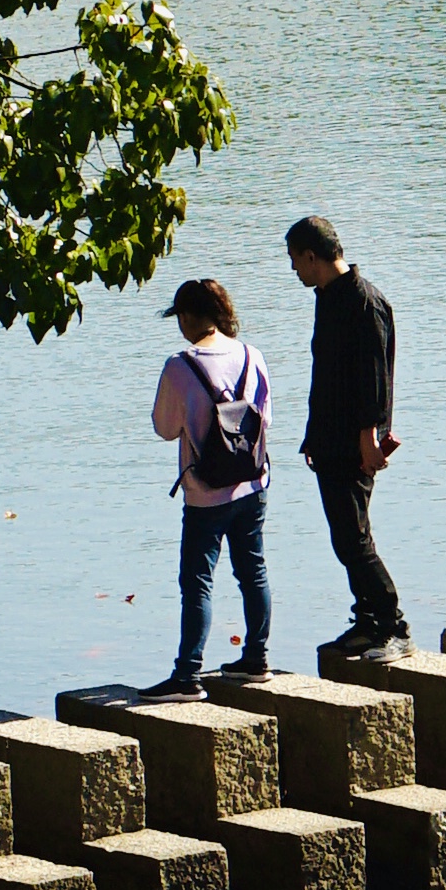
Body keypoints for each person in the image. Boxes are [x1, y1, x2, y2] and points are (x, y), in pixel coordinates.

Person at [289, 213, 409, 663]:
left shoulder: (364, 302)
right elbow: (328, 376)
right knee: (345, 538)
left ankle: (394, 627)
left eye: (295, 261)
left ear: (312, 256)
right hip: (329, 440)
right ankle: (366, 623)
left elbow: (373, 379)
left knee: (355, 540)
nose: (293, 270)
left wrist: (367, 439)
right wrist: (312, 438)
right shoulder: (328, 297)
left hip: (356, 442)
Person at [149, 277, 275, 696]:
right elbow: (265, 418)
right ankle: (256, 658)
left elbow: (165, 429)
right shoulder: (251, 355)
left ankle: (187, 676)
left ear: (187, 317)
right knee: (252, 571)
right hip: (253, 485)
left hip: (205, 494)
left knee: (198, 581)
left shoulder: (179, 365)